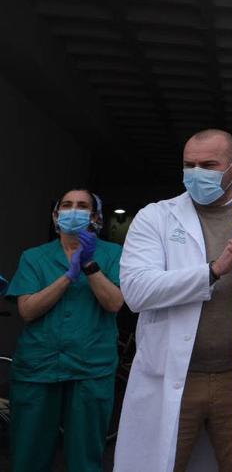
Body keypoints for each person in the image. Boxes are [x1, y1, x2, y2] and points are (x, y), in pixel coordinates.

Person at [116, 129, 232, 472]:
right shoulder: (155, 217)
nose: (196, 174)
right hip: (171, 376)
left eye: (208, 165)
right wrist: (213, 270)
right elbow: (136, 291)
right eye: (189, 165)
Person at [6, 188, 123, 472]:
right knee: (28, 452)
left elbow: (114, 303)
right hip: (39, 366)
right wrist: (68, 276)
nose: (73, 210)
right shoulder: (34, 257)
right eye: (67, 205)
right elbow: (28, 310)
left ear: (95, 218)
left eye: (82, 206)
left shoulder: (113, 254)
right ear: (56, 216)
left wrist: (89, 266)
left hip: (91, 367)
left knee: (85, 456)